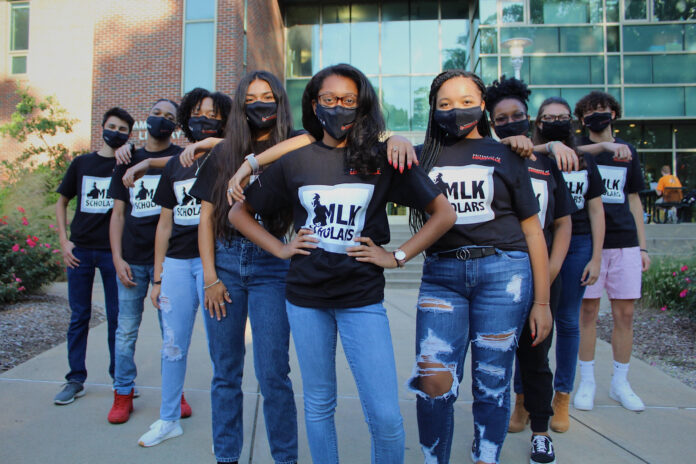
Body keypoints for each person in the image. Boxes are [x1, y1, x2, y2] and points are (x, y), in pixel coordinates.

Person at [228, 63, 456, 464]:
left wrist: (397, 256)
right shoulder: (296, 156)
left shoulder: (382, 154)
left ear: (362, 105)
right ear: (315, 106)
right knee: (319, 404)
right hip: (305, 298)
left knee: (385, 416)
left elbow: (443, 213)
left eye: (349, 100)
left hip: (362, 298)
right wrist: (280, 249)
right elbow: (238, 214)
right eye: (329, 100)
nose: (339, 108)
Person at [406, 70, 551, 464]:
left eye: (467, 101)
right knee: (433, 384)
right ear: (433, 111)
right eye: (445, 104)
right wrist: (395, 141)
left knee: (492, 384)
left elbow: (534, 234)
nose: (457, 110)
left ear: (482, 104)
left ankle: (485, 458)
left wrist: (542, 302)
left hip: (503, 276)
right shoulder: (420, 157)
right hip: (441, 277)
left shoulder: (507, 154)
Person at [485, 78, 576, 464]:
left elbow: (565, 222)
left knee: (537, 359)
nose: (510, 123)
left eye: (517, 116)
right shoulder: (486, 157)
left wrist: (550, 272)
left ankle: (541, 431)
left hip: (542, 278)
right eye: (501, 118)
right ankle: (492, 426)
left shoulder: (545, 162)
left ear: (529, 117)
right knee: (493, 358)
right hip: (496, 277)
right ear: (491, 122)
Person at [133, 89, 230, 447]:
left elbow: (245, 148)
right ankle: (168, 418)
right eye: (199, 113)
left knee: (223, 349)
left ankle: (226, 422)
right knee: (172, 345)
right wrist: (157, 278)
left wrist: (213, 144)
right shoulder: (175, 165)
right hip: (175, 264)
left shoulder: (226, 157)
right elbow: (164, 224)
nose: (205, 120)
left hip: (216, 265)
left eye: (214, 115)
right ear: (187, 118)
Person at [107, 98, 184, 424]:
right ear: (146, 118)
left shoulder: (181, 158)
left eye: (169, 117)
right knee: (126, 331)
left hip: (168, 263)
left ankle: (174, 394)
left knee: (172, 334)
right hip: (132, 262)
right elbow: (118, 215)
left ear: (176, 126)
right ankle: (123, 394)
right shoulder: (127, 158)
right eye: (157, 114)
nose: (161, 120)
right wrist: (117, 259)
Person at [574, 91, 650, 412]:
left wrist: (643, 246)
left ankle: (620, 382)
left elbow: (634, 199)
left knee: (625, 314)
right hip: (590, 244)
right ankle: (587, 382)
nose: (597, 115)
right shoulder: (579, 151)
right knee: (587, 312)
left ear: (614, 114)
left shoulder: (628, 151)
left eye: (603, 110)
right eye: (591, 112)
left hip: (625, 243)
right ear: (582, 119)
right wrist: (603, 147)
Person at [52, 107, 134, 405]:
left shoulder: (128, 166)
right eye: (112, 126)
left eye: (123, 129)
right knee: (80, 315)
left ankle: (120, 380)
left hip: (113, 254)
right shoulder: (82, 163)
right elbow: (61, 202)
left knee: (117, 318)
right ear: (102, 127)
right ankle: (75, 378)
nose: (116, 132)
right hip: (81, 252)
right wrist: (64, 241)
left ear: (129, 135)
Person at [118, 88, 232, 187]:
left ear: (224, 123)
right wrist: (147, 162)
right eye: (196, 114)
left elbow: (242, 145)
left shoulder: (230, 156)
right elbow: (177, 160)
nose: (202, 119)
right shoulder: (183, 158)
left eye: (211, 115)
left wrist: (209, 142)